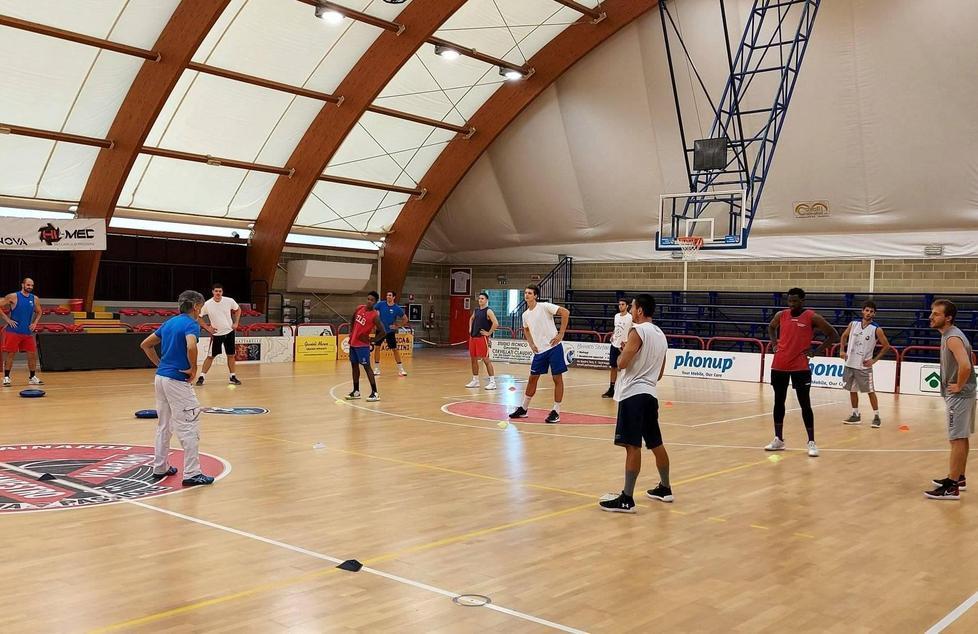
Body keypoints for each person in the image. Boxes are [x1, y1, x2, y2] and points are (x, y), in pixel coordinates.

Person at [600, 294, 672, 513]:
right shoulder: (661, 335)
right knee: (656, 443)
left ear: (640, 310)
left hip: (633, 394)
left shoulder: (638, 331)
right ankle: (665, 488)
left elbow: (621, 363)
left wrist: (624, 350)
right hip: (650, 394)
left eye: (632, 307)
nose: (630, 311)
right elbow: (659, 374)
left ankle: (627, 498)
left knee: (632, 445)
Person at [138, 290, 214, 487]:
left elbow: (146, 345)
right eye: (201, 308)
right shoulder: (191, 324)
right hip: (177, 381)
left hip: (161, 378)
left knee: (164, 425)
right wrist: (193, 368)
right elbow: (191, 346)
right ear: (196, 306)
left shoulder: (170, 322)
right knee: (189, 426)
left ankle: (160, 466)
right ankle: (192, 473)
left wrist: (160, 365)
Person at [764, 288, 838, 457]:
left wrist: (816, 351)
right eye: (789, 301)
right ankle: (778, 439)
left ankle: (811, 442)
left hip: (800, 366)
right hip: (780, 364)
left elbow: (833, 334)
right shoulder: (781, 315)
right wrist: (775, 344)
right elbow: (771, 327)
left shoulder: (812, 316)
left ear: (802, 300)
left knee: (805, 404)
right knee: (778, 402)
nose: (792, 304)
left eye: (795, 301)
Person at [925, 299, 976, 500]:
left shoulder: (952, 338)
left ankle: (951, 486)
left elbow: (966, 366)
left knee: (956, 439)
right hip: (966, 395)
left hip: (960, 396)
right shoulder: (950, 334)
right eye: (932, 313)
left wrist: (958, 386)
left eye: (936, 314)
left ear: (948, 318)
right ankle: (959, 477)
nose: (931, 316)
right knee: (961, 437)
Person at [509, 285, 570, 424]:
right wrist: (530, 343)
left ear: (535, 295)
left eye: (530, 293)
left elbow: (565, 312)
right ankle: (523, 409)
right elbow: (526, 329)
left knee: (557, 379)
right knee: (532, 379)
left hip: (554, 348)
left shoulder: (545, 306)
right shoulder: (525, 314)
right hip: (540, 351)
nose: (527, 295)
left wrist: (561, 334)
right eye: (525, 293)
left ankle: (556, 411)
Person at [839, 301, 891, 427]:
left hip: (863, 366)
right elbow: (844, 336)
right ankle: (855, 415)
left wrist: (874, 360)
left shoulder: (876, 329)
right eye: (866, 310)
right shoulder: (853, 324)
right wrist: (841, 350)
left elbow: (886, 346)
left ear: (874, 313)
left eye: (871, 311)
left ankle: (877, 416)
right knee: (852, 390)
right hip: (850, 363)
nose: (868, 313)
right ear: (862, 311)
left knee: (870, 391)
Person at [0, 277, 43, 387]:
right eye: (28, 285)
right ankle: (6, 377)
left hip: (27, 332)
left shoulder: (35, 298)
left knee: (32, 355)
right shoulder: (13, 296)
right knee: (11, 354)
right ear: (22, 285)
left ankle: (32, 377)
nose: (30, 287)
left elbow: (39, 312)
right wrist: (8, 320)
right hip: (13, 331)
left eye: (32, 285)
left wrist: (35, 323)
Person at [196, 283, 241, 386]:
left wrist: (236, 322)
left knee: (231, 355)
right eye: (216, 291)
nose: (218, 293)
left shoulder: (229, 301)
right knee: (211, 356)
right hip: (216, 334)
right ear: (212, 292)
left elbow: (238, 309)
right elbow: (198, 317)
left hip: (229, 332)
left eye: (220, 291)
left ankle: (232, 376)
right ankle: (202, 376)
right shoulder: (207, 304)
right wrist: (207, 328)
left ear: (222, 292)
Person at [346, 291, 385, 402]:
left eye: (372, 300)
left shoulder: (375, 316)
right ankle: (356, 391)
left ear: (375, 302)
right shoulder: (359, 308)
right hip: (353, 343)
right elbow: (353, 319)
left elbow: (383, 332)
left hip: (362, 346)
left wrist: (372, 340)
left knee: (367, 367)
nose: (369, 301)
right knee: (354, 366)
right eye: (368, 299)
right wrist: (351, 331)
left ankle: (375, 392)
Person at [466, 292, 498, 390]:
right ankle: (475, 380)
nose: (480, 300)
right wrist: (470, 328)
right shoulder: (476, 310)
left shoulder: (488, 311)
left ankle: (492, 382)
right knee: (473, 359)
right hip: (473, 337)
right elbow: (471, 319)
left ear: (486, 300)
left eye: (482, 298)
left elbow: (496, 323)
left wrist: (488, 333)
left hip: (482, 338)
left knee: (485, 359)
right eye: (479, 298)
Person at [373, 291, 408, 377]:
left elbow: (405, 319)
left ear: (393, 297)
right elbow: (372, 310)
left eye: (390, 295)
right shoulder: (381, 304)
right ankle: (376, 368)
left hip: (390, 332)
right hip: (380, 330)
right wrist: (375, 321)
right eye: (387, 295)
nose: (388, 296)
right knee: (377, 348)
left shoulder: (397, 308)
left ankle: (401, 369)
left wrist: (397, 326)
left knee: (395, 349)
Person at [602, 298, 632, 398]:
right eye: (619, 304)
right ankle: (612, 388)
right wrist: (613, 335)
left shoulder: (630, 317)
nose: (620, 306)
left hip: (624, 346)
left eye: (623, 304)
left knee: (625, 368)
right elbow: (616, 328)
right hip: (614, 344)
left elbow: (633, 330)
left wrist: (628, 341)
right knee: (613, 367)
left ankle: (626, 389)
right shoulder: (616, 316)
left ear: (627, 306)